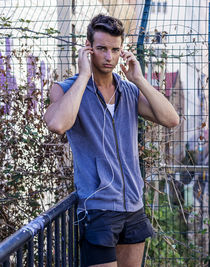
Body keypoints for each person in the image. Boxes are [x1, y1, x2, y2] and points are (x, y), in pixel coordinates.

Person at [44, 14, 179, 267]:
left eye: (115, 50)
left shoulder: (128, 91)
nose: (109, 57)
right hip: (99, 210)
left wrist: (138, 79)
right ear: (88, 48)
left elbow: (171, 119)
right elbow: (58, 124)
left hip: (133, 207)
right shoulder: (65, 89)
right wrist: (84, 76)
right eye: (102, 49)